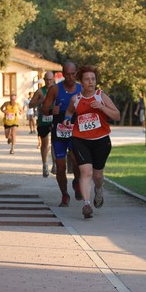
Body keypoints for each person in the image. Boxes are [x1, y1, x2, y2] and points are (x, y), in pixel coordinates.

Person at [62, 66, 120, 218]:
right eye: (87, 79)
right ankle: (86, 204)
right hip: (80, 140)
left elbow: (117, 115)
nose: (91, 82)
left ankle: (99, 189)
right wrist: (67, 120)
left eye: (93, 79)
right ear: (81, 82)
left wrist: (102, 107)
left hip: (101, 140)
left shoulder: (101, 96)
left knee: (98, 175)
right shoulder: (76, 99)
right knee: (86, 172)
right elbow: (69, 112)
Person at [42, 61, 82, 207]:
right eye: (67, 74)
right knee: (60, 167)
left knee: (77, 162)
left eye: (73, 74)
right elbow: (44, 110)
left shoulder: (81, 88)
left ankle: (77, 182)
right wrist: (52, 110)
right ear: (63, 74)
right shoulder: (55, 89)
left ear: (76, 73)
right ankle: (64, 194)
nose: (70, 77)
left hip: (76, 132)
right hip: (59, 134)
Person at [29, 71, 56, 177]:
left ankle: (55, 165)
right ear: (44, 80)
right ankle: (45, 165)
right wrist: (40, 100)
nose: (49, 82)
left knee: (55, 142)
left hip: (54, 119)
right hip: (43, 120)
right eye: (47, 80)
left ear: (53, 79)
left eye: (50, 80)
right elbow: (30, 105)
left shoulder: (57, 90)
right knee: (45, 143)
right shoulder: (40, 91)